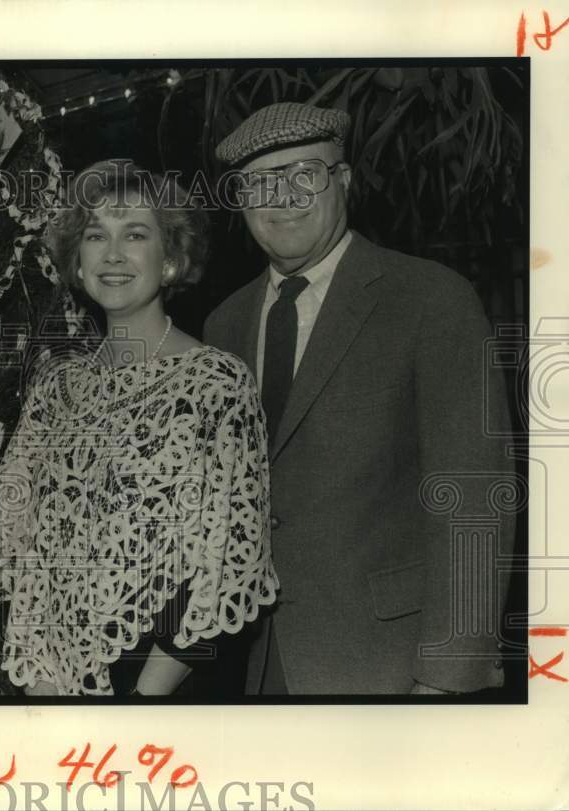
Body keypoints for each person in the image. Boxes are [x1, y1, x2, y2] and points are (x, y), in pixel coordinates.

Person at [204, 102, 514, 694]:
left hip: (391, 664)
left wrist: (449, 677)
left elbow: (475, 498)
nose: (282, 196)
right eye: (261, 182)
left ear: (342, 182)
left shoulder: (429, 299)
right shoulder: (225, 323)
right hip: (258, 663)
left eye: (304, 175)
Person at [0, 160, 278, 697]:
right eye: (97, 235)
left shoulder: (216, 384)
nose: (112, 254)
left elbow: (226, 560)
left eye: (135, 235)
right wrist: (44, 679)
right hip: (55, 687)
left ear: (170, 262)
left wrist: (144, 697)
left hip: (163, 685)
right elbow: (23, 544)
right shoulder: (58, 387)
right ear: (78, 262)